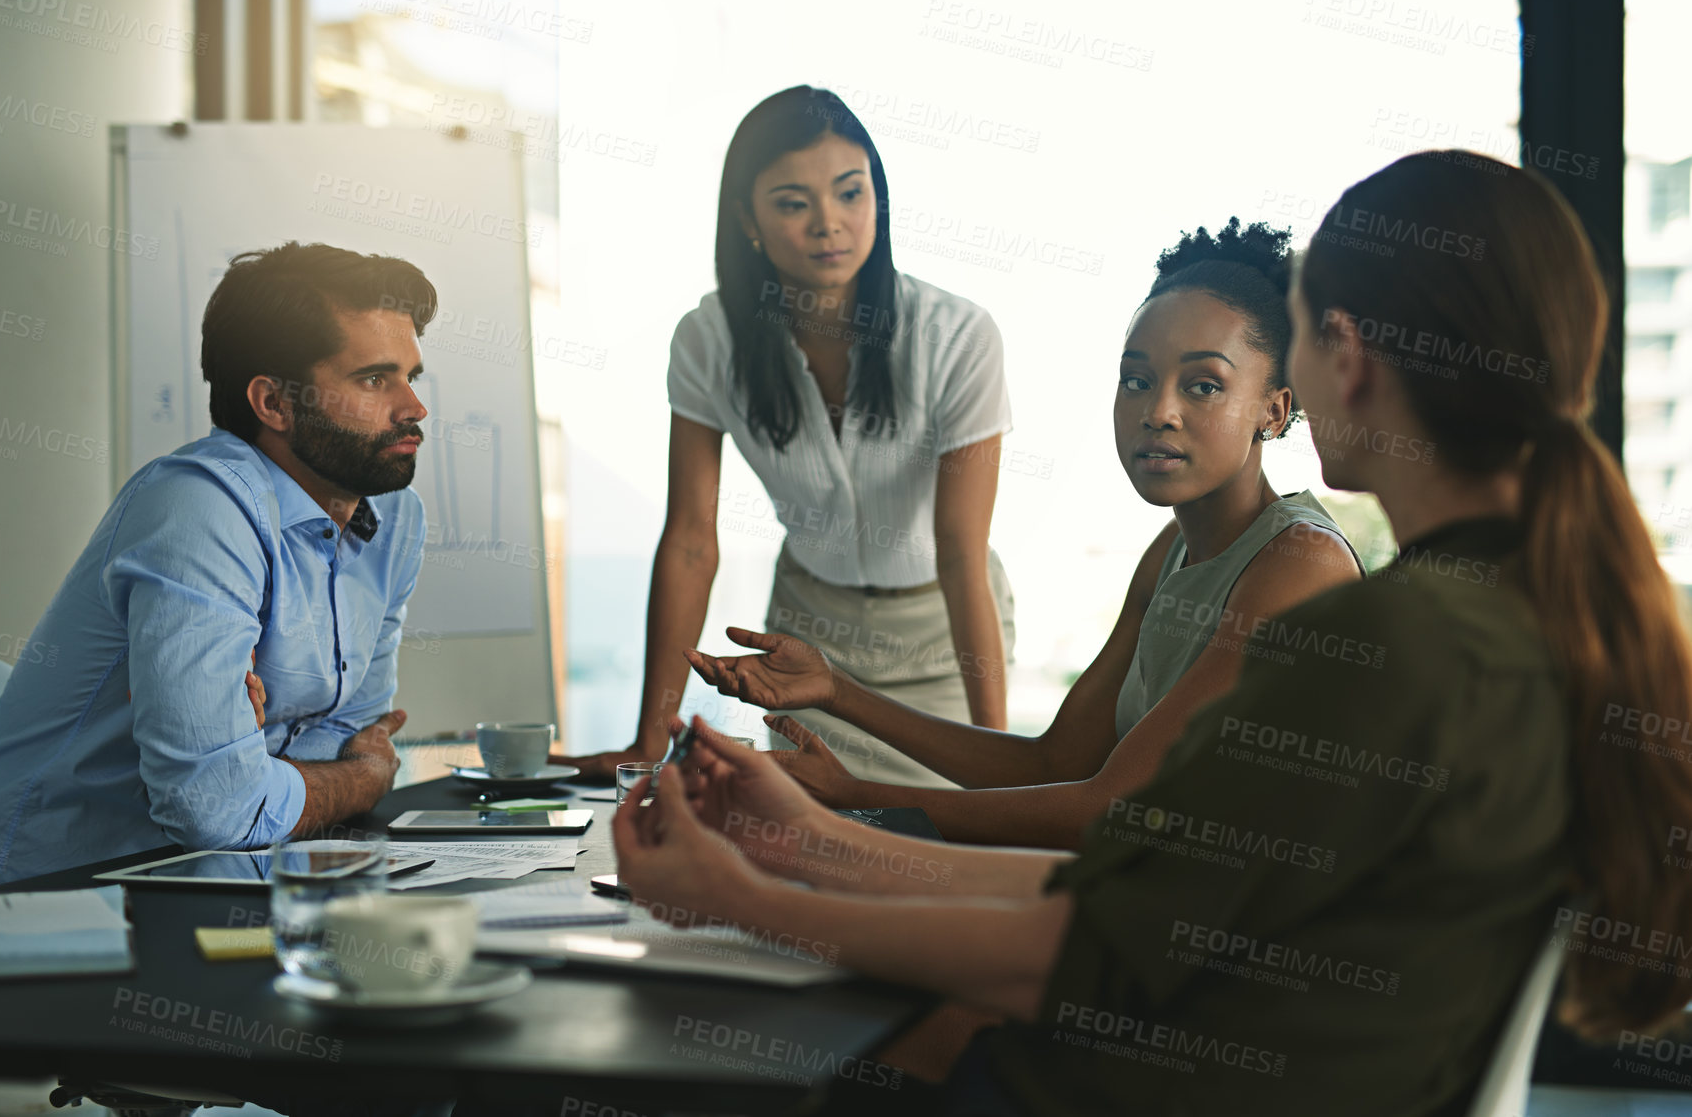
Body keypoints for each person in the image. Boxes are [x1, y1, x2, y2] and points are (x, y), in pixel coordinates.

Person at [611, 151, 1692, 1115]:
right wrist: (806, 842)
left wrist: (753, 893)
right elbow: (1125, 888)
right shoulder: (1511, 618)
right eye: (1138, 376)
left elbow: (1087, 940)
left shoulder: (1390, 639)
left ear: (1340, 359)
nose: (1161, 408)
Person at [685, 221, 1364, 847]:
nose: (1157, 411)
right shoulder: (1173, 551)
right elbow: (1053, 761)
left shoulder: (1299, 563)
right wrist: (835, 688)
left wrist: (857, 800)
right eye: (1136, 379)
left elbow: (1105, 806)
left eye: (1202, 386)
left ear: (1273, 411)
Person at [558, 86, 1018, 788]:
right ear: (747, 218)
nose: (828, 224)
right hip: (812, 642)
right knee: (814, 836)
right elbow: (688, 538)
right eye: (792, 202)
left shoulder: (957, 335)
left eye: (849, 193)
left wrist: (998, 762)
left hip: (940, 636)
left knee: (943, 838)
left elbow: (960, 553)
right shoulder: (706, 341)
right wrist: (651, 738)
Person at [0, 243, 435, 890]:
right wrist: (357, 781)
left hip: (218, 875)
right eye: (375, 379)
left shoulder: (394, 518)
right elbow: (214, 804)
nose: (413, 407)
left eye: (412, 375)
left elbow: (349, 730)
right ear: (272, 403)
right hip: (49, 903)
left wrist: (274, 767)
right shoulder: (199, 507)